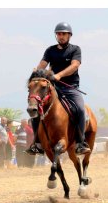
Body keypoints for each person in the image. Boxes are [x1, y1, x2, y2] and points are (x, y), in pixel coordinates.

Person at [26, 22, 90, 155]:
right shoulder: (50, 50)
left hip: (71, 88)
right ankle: (37, 143)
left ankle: (80, 143)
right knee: (35, 108)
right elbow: (42, 64)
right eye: (59, 34)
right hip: (52, 88)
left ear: (69, 35)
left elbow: (74, 66)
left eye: (64, 34)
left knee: (80, 109)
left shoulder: (75, 50)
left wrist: (59, 75)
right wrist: (36, 72)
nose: (61, 36)